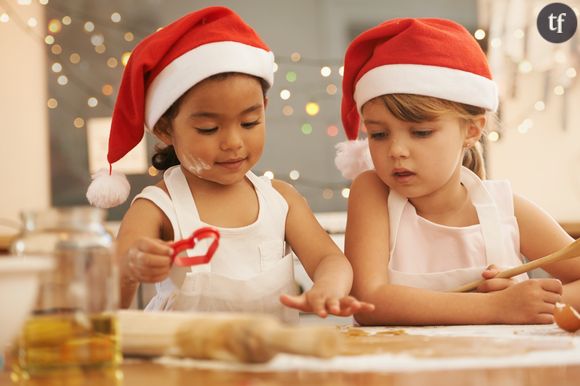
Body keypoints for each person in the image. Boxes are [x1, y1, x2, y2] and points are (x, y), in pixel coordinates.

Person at [86, 6, 373, 323]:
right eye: (209, 129)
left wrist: (328, 287)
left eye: (249, 122)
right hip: (183, 365)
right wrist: (130, 269)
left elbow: (330, 260)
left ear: (264, 108)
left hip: (269, 361)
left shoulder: (281, 201)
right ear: (166, 129)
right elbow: (110, 301)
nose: (233, 142)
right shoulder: (158, 207)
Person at [334, 17, 580, 326]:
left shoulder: (506, 207)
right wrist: (496, 308)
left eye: (421, 132)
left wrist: (532, 301)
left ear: (472, 131)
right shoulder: (372, 192)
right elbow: (368, 302)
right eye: (379, 134)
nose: (396, 150)